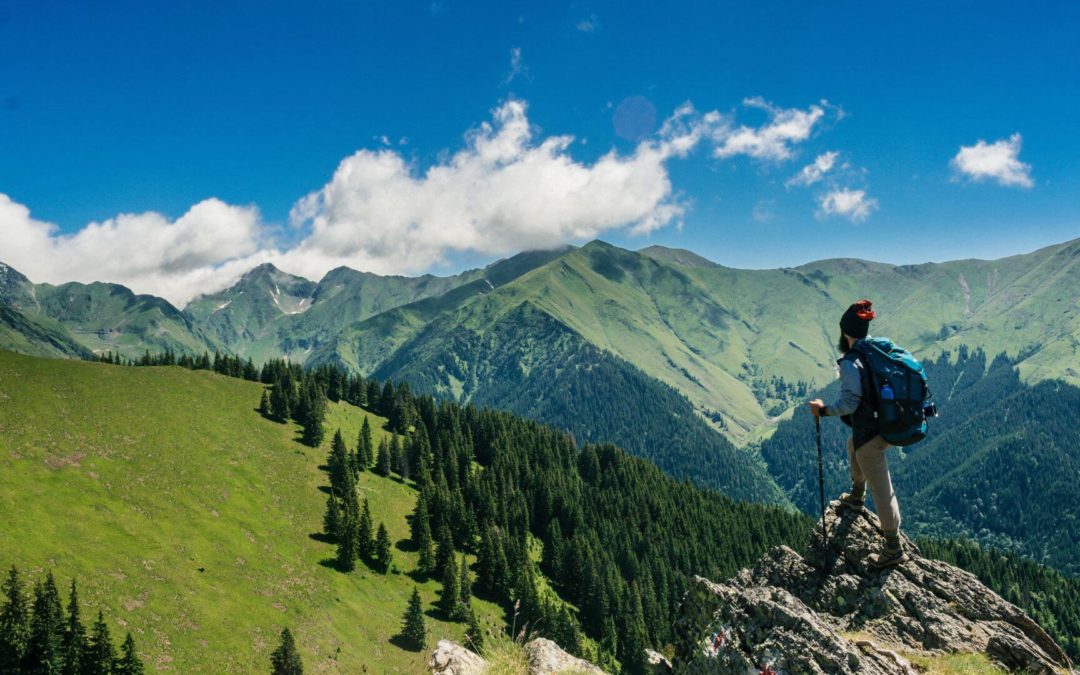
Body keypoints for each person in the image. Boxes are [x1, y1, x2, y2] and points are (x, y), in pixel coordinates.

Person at [808, 299, 907, 568]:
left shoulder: (853, 361)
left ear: (845, 333)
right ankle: (856, 496)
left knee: (882, 488)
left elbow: (850, 403)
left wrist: (823, 410)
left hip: (872, 433)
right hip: (888, 422)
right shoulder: (877, 349)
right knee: (854, 445)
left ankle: (893, 547)